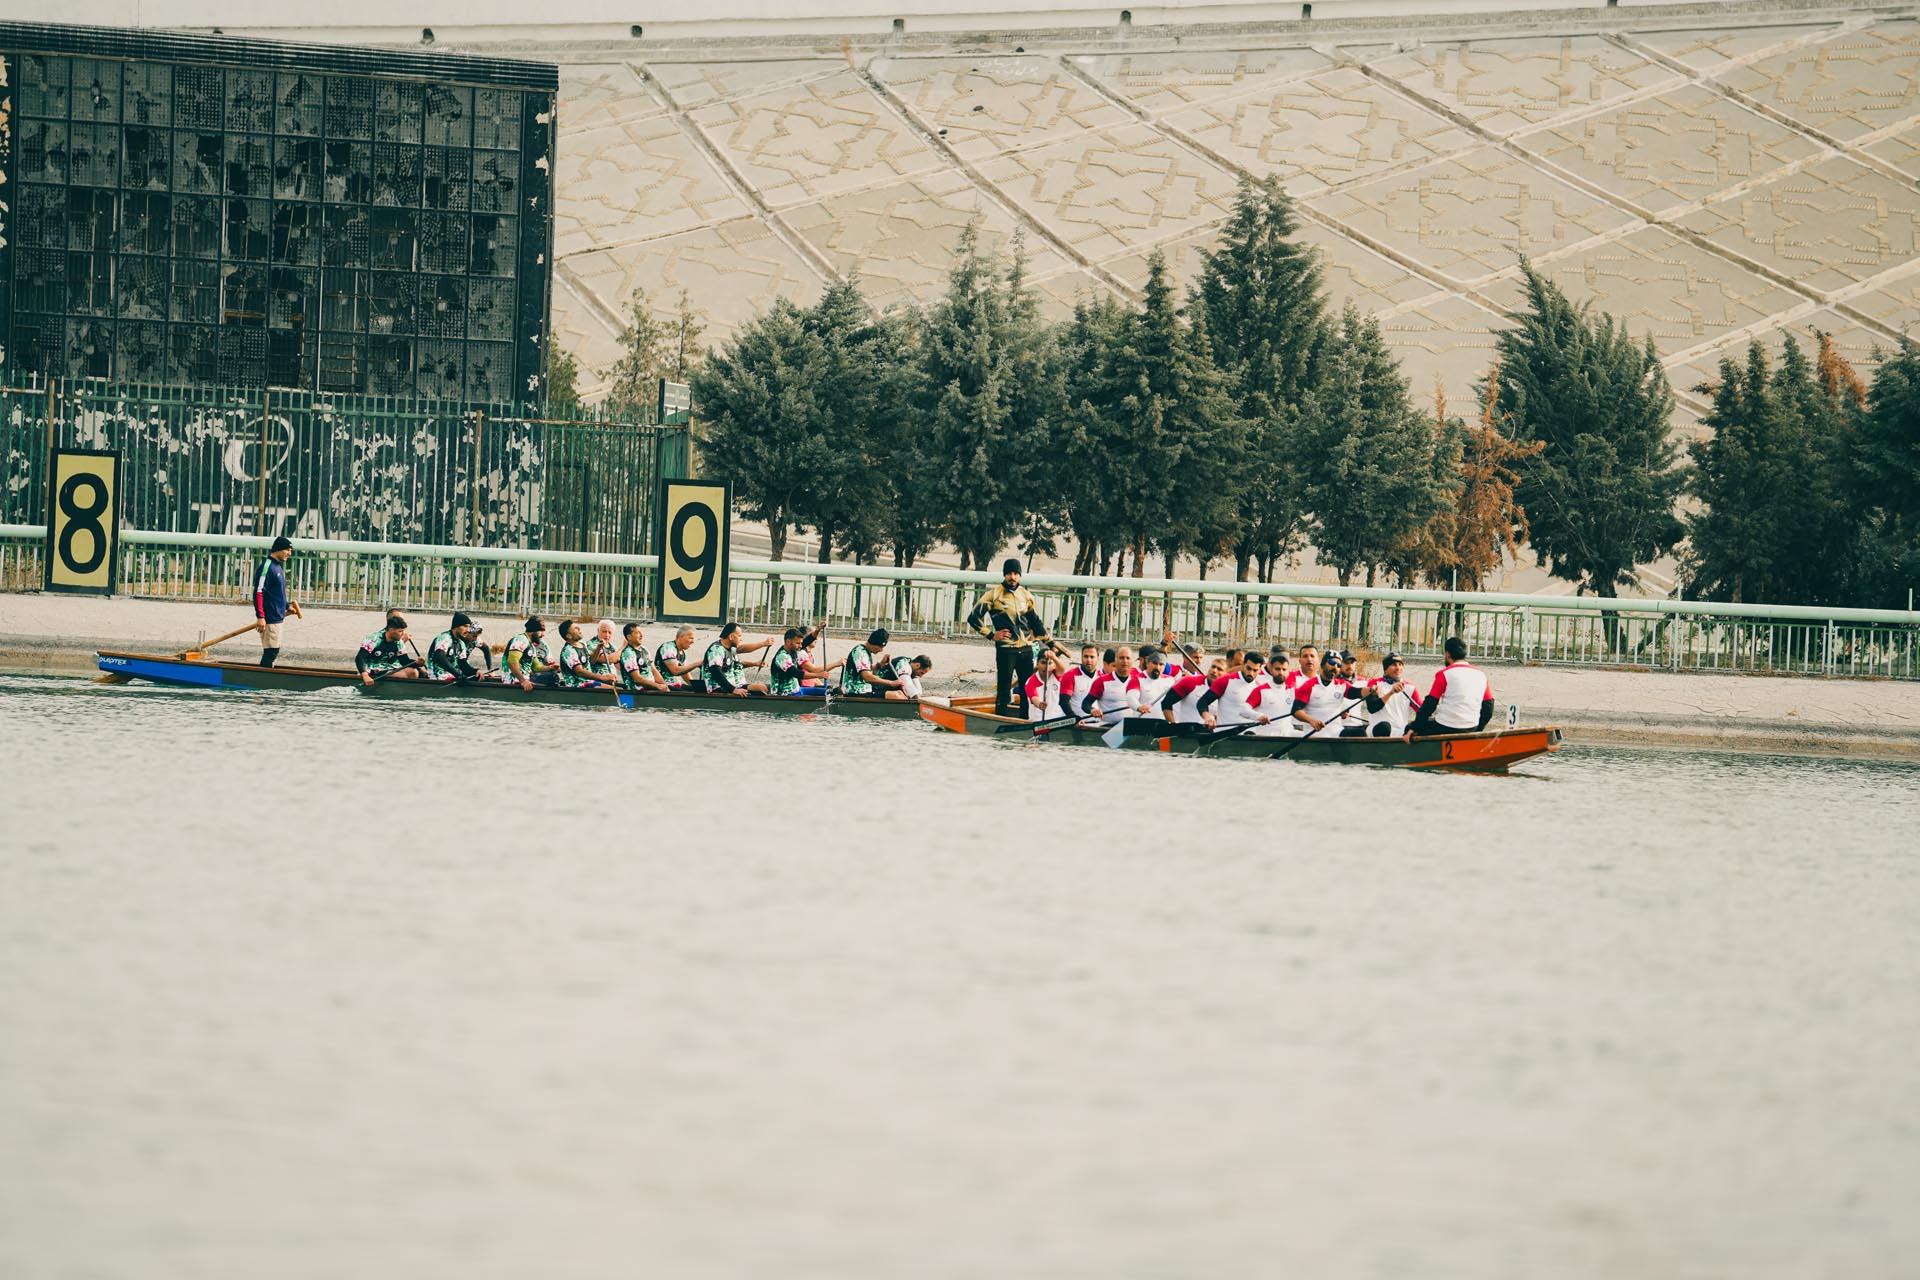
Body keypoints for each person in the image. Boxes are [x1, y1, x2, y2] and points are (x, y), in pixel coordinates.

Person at [966, 558, 1052, 717]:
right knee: (1004, 689)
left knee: (1027, 688)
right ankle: (1001, 719)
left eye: (1016, 574)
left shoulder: (1026, 595)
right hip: (1006, 649)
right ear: (1004, 575)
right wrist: (991, 635)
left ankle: (1025, 720)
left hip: (1026, 649)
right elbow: (973, 618)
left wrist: (1050, 644)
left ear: (1020, 575)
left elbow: (1035, 622)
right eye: (1009, 574)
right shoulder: (993, 594)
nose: (1012, 577)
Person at [1410, 637, 1494, 736]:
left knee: (1410, 727)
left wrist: (1414, 727)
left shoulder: (1444, 674)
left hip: (1445, 727)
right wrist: (1478, 729)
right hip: (1471, 727)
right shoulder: (1481, 675)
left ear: (1447, 654)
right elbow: (1488, 707)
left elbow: (1430, 704)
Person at [252, 535, 303, 667]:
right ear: (278, 549)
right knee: (271, 652)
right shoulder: (267, 566)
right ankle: (263, 676)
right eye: (287, 550)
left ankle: (267, 672)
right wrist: (260, 616)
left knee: (273, 650)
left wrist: (286, 606)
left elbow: (278, 592)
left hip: (278, 616)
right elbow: (258, 592)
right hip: (270, 617)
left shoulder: (278, 567)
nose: (290, 553)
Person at [1291, 648, 1366, 736]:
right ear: (1323, 665)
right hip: (1314, 733)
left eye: (1339, 665)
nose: (1335, 667)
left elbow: (1357, 692)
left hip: (1336, 732)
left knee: (1361, 733)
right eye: (1332, 663)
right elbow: (1295, 710)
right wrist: (1312, 721)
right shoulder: (1309, 685)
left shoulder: (1342, 685)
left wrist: (1371, 690)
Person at [1199, 649, 1272, 728]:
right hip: (1225, 732)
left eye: (1255, 670)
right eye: (1248, 668)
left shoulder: (1259, 688)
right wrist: (1208, 717)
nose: (1251, 673)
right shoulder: (1226, 681)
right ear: (1243, 665)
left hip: (1248, 733)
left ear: (1260, 670)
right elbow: (1202, 702)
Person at [702, 622, 773, 696]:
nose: (741, 639)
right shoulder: (716, 649)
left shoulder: (732, 649)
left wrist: (754, 664)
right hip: (721, 689)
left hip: (737, 686)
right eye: (739, 636)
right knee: (761, 689)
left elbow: (736, 664)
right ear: (731, 636)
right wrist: (733, 690)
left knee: (763, 687)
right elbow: (716, 671)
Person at [1363, 651, 1424, 738]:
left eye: (1400, 664)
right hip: (1378, 730)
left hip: (1400, 732)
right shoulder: (1374, 683)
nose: (1398, 668)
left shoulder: (1410, 687)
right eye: (1394, 665)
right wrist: (1391, 692)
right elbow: (1372, 708)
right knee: (1385, 727)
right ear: (1385, 669)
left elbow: (1422, 711)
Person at [768, 626, 842, 696]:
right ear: (788, 641)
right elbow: (797, 673)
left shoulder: (793, 649)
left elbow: (809, 639)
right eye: (798, 643)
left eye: (801, 643)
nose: (801, 646)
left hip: (797, 690)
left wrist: (818, 629)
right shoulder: (782, 657)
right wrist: (819, 675)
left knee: (833, 692)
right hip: (785, 694)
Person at [1078, 646, 1144, 725]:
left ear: (1132, 661)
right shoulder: (1101, 681)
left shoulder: (1139, 681)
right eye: (1121, 658)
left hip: (1131, 726)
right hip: (1108, 726)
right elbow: (1085, 704)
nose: (1125, 661)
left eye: (1128, 658)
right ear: (1115, 661)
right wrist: (1092, 710)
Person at [1162, 655, 1227, 730]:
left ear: (1226, 675)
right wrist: (1174, 727)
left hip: (1211, 733)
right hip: (1187, 732)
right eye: (1213, 667)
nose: (1214, 670)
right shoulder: (1190, 682)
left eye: (1219, 669)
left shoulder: (1228, 691)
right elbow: (1166, 703)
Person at [425, 612, 490, 682]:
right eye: (465, 626)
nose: (468, 630)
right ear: (456, 626)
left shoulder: (461, 643)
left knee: (483, 679)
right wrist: (457, 674)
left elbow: (463, 664)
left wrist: (475, 671)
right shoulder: (445, 638)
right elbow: (439, 657)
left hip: (452, 675)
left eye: (469, 627)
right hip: (438, 675)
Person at [356, 614, 419, 685]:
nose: (403, 634)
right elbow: (360, 658)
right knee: (405, 674)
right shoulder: (374, 639)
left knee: (414, 672)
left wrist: (417, 663)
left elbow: (404, 661)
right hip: (371, 670)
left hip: (388, 669)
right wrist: (365, 675)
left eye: (403, 631)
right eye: (400, 631)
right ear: (391, 630)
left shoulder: (399, 642)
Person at [555, 619, 616, 689]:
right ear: (569, 636)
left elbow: (591, 661)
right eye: (576, 628)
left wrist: (598, 648)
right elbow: (580, 671)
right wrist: (603, 678)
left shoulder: (582, 644)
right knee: (618, 691)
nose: (579, 629)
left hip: (589, 682)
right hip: (577, 685)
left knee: (621, 688)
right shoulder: (568, 651)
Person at [842, 629, 903, 697]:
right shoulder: (860, 652)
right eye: (880, 647)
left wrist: (880, 664)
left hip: (863, 689)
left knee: (899, 692)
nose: (881, 650)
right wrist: (891, 683)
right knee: (896, 695)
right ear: (873, 643)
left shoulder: (865, 651)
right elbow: (867, 677)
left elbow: (868, 672)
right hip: (856, 690)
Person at [502, 616, 556, 690]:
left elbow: (536, 667)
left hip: (525, 681)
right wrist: (523, 681)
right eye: (541, 631)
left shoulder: (531, 645)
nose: (543, 634)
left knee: (552, 677)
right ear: (533, 630)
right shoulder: (520, 640)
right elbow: (512, 661)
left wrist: (551, 667)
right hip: (513, 682)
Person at [618, 622, 671, 693]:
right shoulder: (628, 653)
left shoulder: (645, 649)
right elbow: (637, 679)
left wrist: (665, 688)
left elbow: (654, 671)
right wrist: (658, 686)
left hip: (651, 689)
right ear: (629, 637)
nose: (641, 635)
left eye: (641, 632)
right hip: (637, 692)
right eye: (637, 633)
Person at [1023, 648, 1064, 722]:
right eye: (1043, 663)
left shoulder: (1057, 675)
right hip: (1038, 719)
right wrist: (1039, 704)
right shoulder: (1031, 681)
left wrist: (1054, 657)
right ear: (1037, 664)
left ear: (1054, 665)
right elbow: (1034, 697)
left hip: (1057, 717)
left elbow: (1062, 669)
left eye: (1049, 663)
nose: (1046, 666)